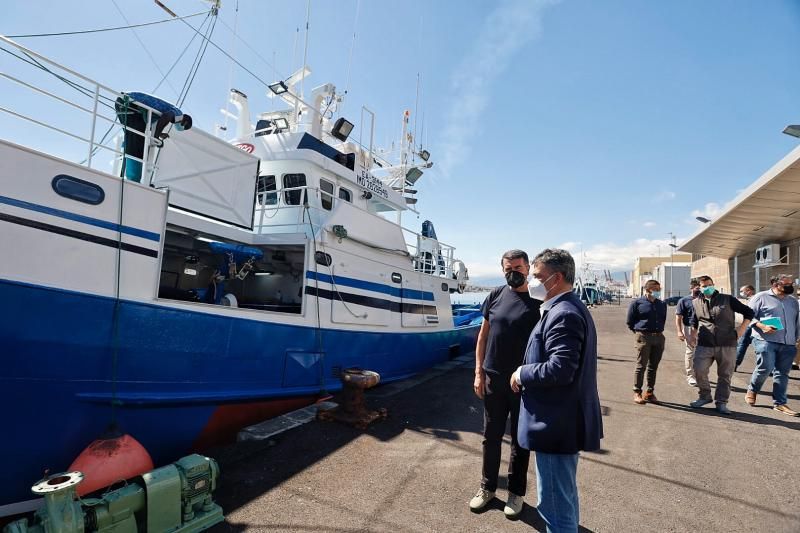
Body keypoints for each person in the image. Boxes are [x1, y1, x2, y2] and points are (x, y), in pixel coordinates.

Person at [511, 248, 603, 532]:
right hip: (561, 421)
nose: (532, 281)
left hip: (555, 424)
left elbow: (560, 368)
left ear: (557, 277)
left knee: (553, 505)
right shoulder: (567, 307)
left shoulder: (563, 313)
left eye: (537, 276)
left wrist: (521, 372)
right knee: (563, 497)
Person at [470, 250, 541, 518]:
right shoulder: (496, 295)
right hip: (493, 378)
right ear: (502, 270)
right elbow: (483, 336)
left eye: (519, 268)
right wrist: (478, 372)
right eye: (508, 268)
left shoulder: (539, 298)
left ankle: (515, 493)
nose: (514, 272)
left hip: (523, 381)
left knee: (520, 440)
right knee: (490, 437)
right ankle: (487, 488)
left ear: (528, 268)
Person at [689, 276, 753, 415]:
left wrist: (741, 330)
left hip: (727, 344)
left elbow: (749, 312)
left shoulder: (727, 299)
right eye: (704, 285)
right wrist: (692, 335)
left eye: (709, 285)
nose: (707, 287)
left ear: (713, 284)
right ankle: (704, 396)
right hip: (705, 343)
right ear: (699, 287)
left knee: (725, 375)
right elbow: (693, 321)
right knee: (699, 370)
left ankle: (721, 402)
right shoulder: (695, 302)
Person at [744, 275, 800, 416]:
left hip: (788, 343)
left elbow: (797, 322)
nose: (790, 286)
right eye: (786, 283)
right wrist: (761, 325)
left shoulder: (793, 302)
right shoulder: (760, 297)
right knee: (765, 368)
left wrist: (796, 338)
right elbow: (748, 316)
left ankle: (780, 403)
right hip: (765, 340)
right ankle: (752, 390)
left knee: (782, 373)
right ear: (775, 283)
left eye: (791, 283)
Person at [114, 91, 193, 182]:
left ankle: (124, 172)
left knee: (131, 136)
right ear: (184, 122)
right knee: (137, 140)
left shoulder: (160, 112)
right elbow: (167, 116)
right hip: (132, 105)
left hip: (124, 102)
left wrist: (158, 134)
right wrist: (155, 137)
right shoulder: (178, 114)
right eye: (184, 127)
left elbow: (156, 123)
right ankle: (133, 178)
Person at [626, 280, 667, 404]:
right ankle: (637, 392)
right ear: (648, 289)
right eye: (656, 289)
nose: (658, 291)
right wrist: (639, 333)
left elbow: (662, 320)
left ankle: (649, 392)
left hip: (659, 338)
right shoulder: (637, 303)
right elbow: (630, 321)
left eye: (659, 289)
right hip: (643, 337)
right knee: (641, 365)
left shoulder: (662, 304)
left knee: (653, 367)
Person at [675, 278, 701, 387]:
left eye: (701, 288)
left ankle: (700, 374)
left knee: (703, 353)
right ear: (691, 288)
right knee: (691, 352)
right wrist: (679, 331)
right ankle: (690, 376)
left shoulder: (706, 299)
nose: (699, 290)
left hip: (705, 328)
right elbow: (678, 317)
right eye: (697, 288)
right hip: (689, 328)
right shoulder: (684, 301)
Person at [735, 285, 756, 371]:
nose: (741, 293)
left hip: (750, 325)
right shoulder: (753, 299)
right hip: (756, 325)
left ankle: (735, 364)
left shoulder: (754, 299)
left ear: (748, 290)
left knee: (742, 344)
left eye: (742, 291)